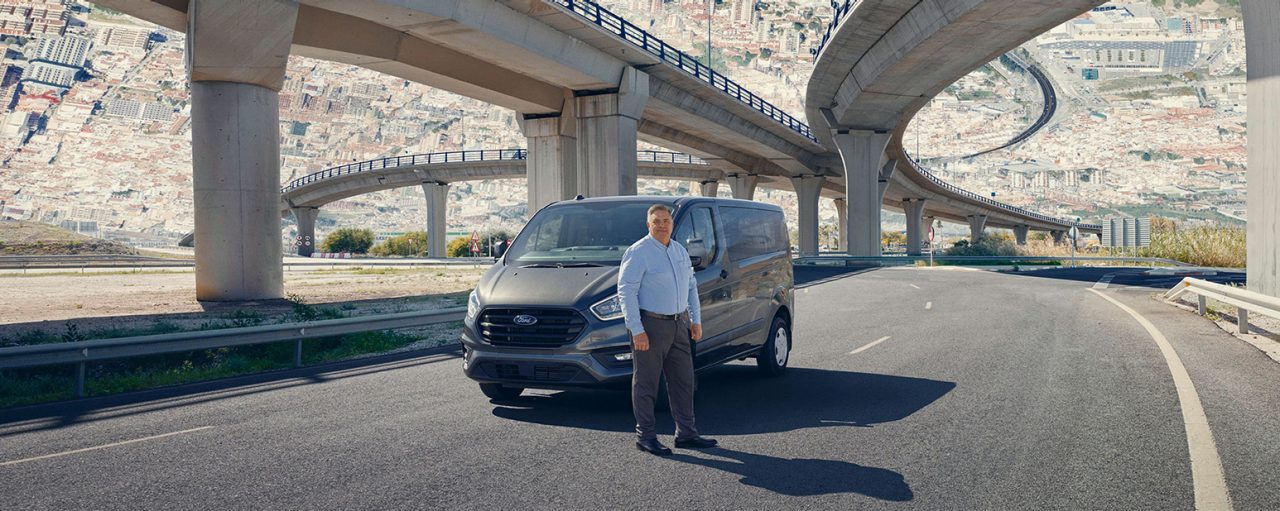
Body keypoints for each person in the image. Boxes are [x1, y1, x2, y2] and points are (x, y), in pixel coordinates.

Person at [618, 204, 718, 456]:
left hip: (679, 323)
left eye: (666, 220)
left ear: (672, 224)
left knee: (684, 381)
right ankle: (646, 436)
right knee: (646, 383)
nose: (662, 225)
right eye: (657, 221)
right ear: (648, 224)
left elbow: (691, 286)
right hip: (650, 326)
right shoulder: (638, 252)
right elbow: (626, 291)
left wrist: (696, 320)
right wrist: (636, 329)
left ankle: (686, 434)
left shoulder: (679, 251)